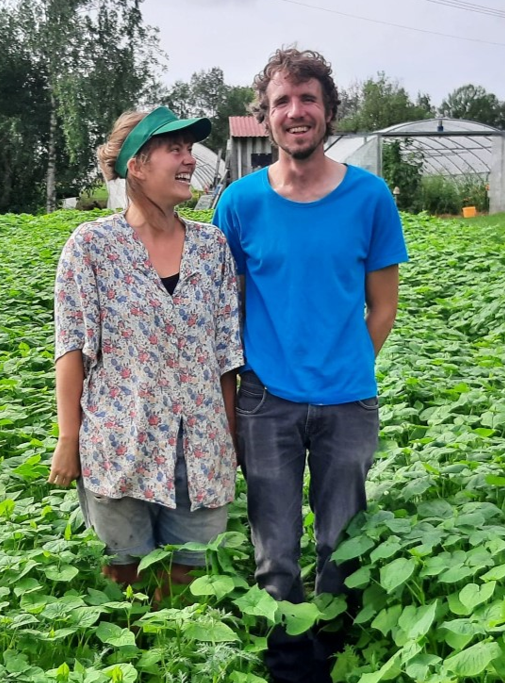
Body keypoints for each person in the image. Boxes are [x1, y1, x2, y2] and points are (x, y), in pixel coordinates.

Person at [212, 47, 408, 683]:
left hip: (348, 401)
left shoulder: (369, 197)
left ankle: (332, 655)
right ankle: (286, 664)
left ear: (328, 112)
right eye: (281, 103)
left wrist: (345, 365)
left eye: (308, 100)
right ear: (264, 118)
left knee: (339, 544)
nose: (295, 113)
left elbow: (382, 306)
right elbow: (229, 310)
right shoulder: (239, 205)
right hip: (265, 400)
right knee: (274, 547)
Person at [49, 107, 243, 595]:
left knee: (188, 578)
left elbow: (225, 357)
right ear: (136, 164)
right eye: (174, 149)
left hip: (199, 447)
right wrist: (68, 439)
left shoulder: (211, 246)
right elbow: (72, 348)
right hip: (119, 443)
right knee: (124, 574)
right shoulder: (91, 246)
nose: (189, 159)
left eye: (189, 149)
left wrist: (229, 438)